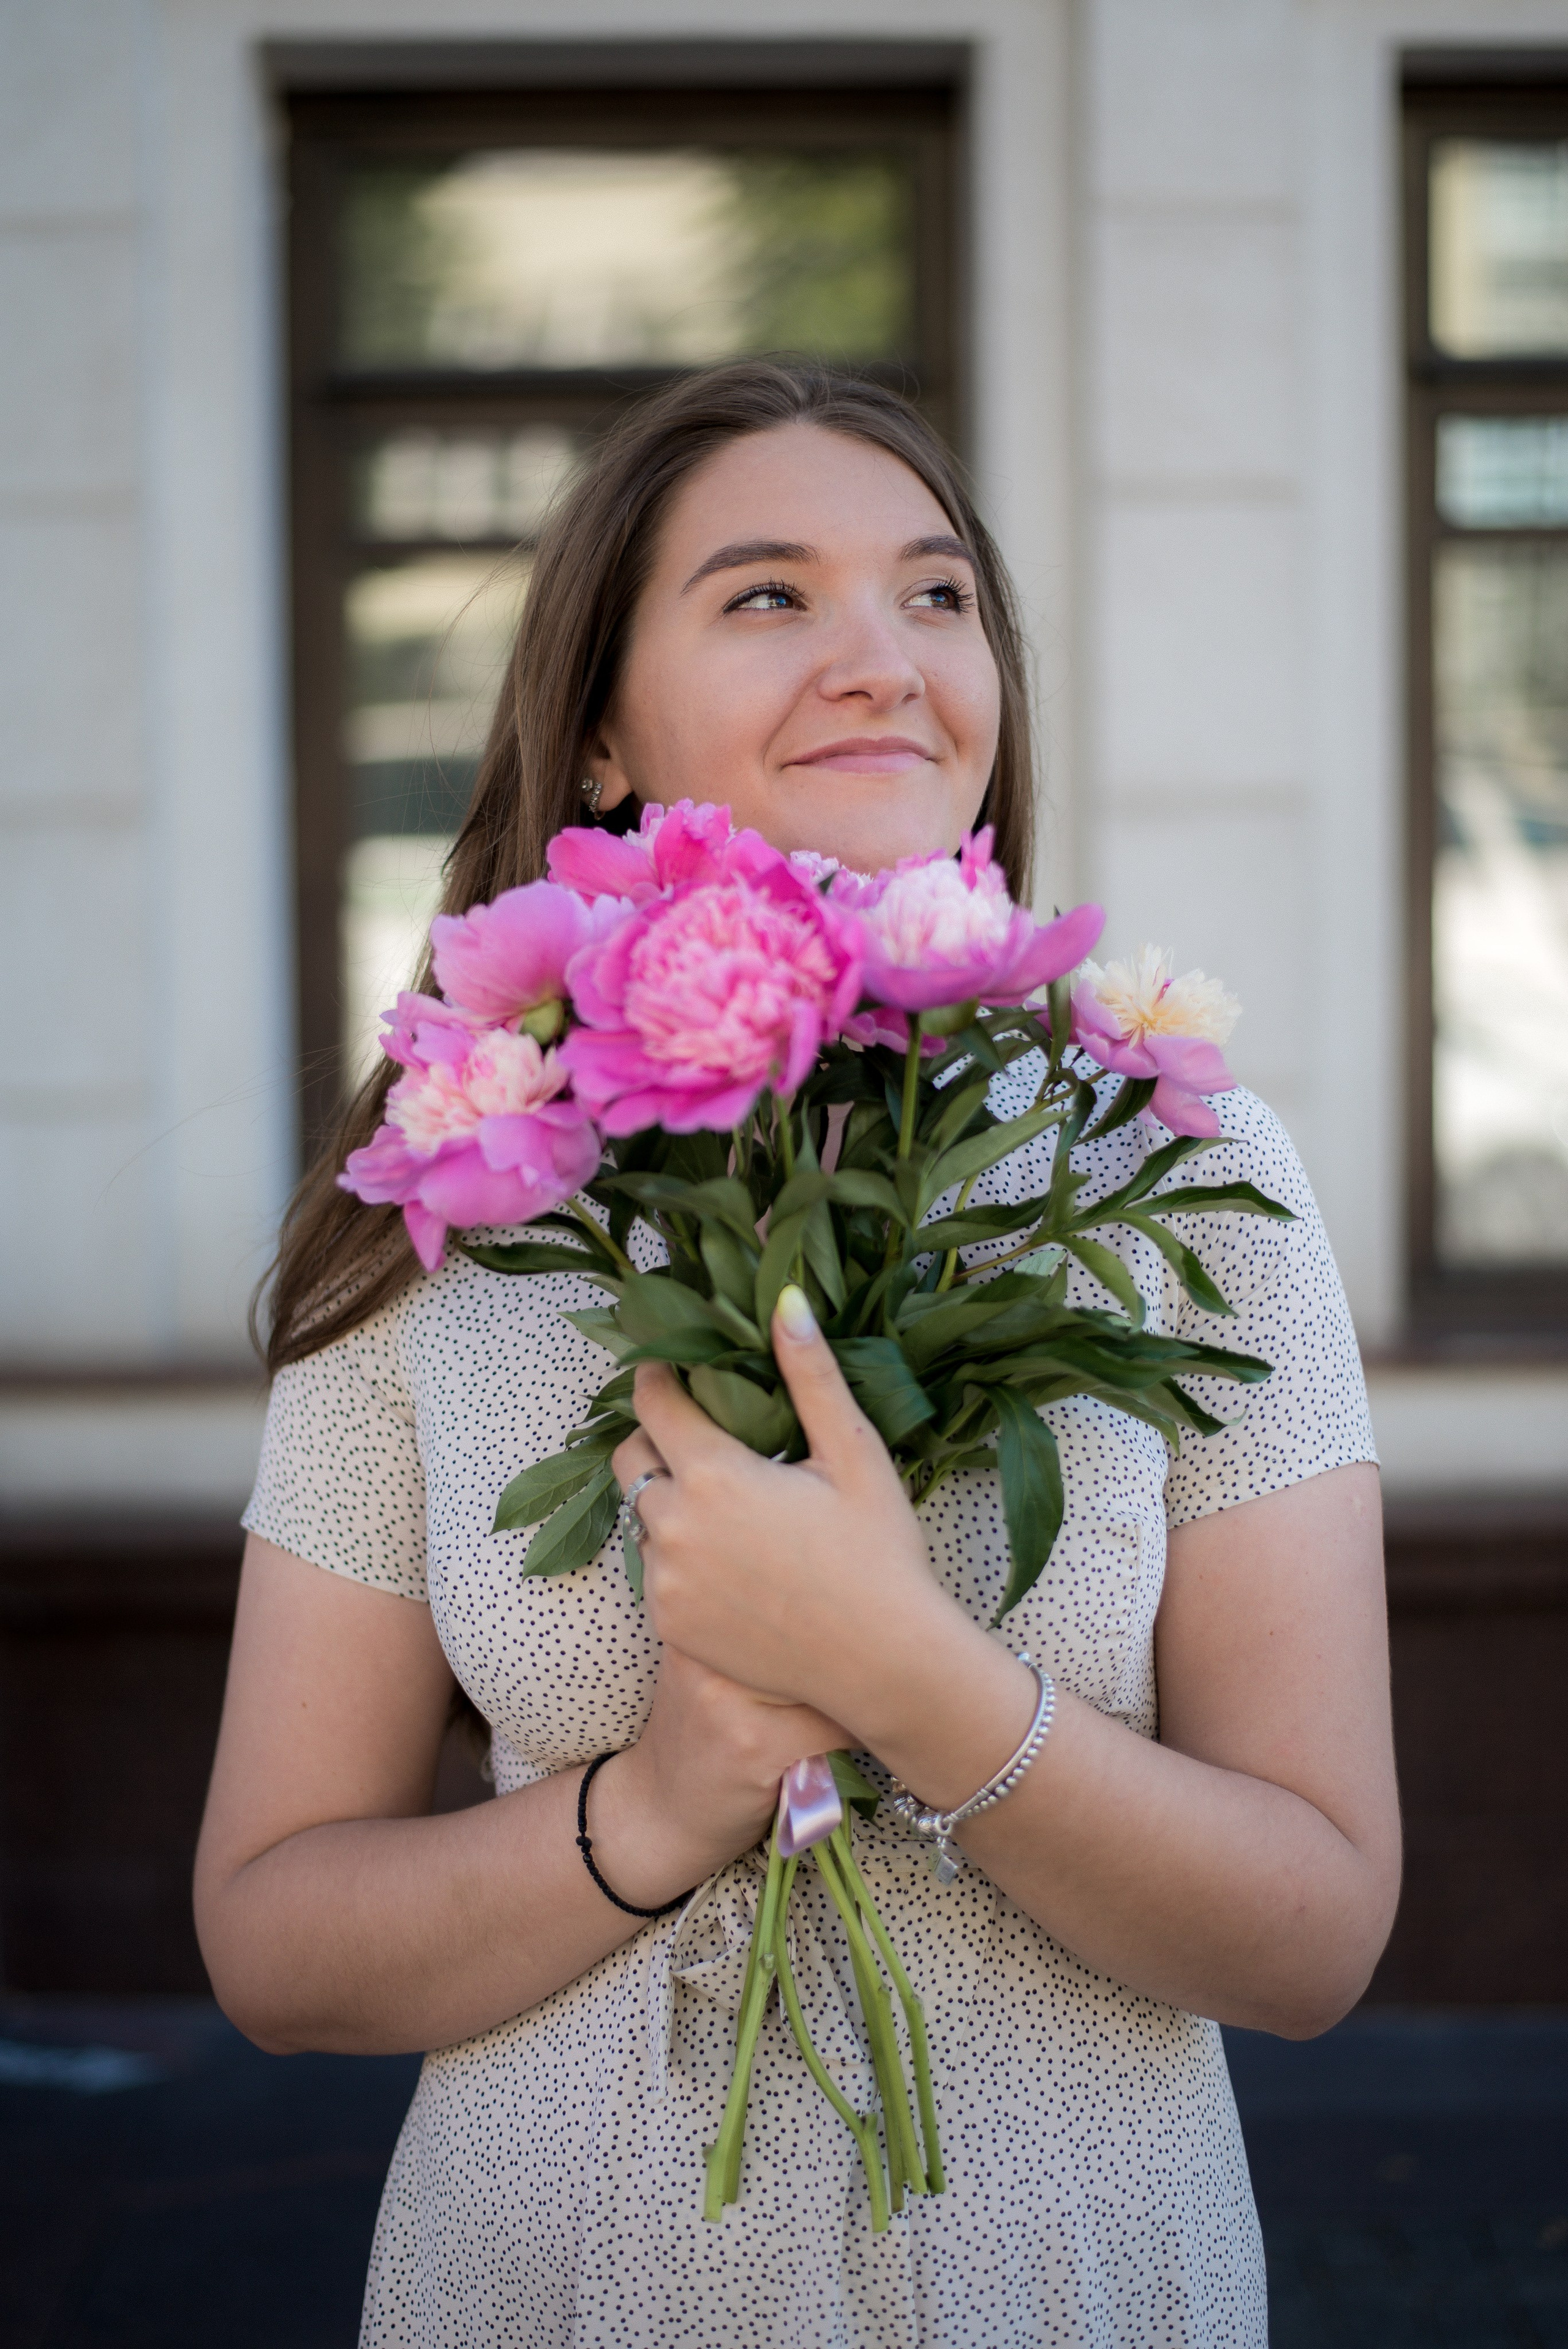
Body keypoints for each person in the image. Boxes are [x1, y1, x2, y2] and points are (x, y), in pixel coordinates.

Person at [195, 359, 1399, 2348]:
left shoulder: (1181, 1164)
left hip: (1070, 2283)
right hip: (554, 2285)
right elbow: (271, 1935)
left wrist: (915, 1679)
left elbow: (1315, 1931)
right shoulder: (452, 1187)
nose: (886, 659)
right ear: (595, 738)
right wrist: (657, 1804)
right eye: (770, 595)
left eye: (939, 595)